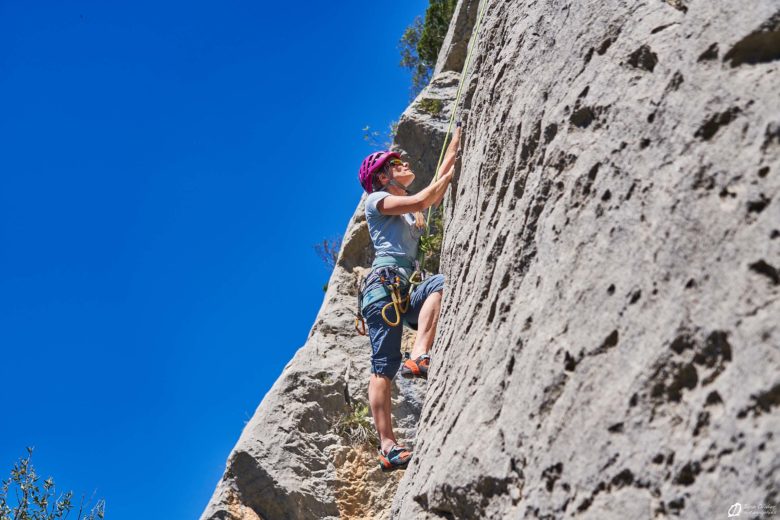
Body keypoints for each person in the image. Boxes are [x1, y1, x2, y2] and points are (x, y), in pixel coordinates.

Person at [357, 127, 461, 470]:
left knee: (440, 285)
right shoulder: (377, 201)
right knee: (383, 366)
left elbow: (428, 192)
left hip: (402, 288)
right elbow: (425, 198)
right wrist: (433, 187)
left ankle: (418, 354)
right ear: (383, 177)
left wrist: (457, 141)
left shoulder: (405, 213)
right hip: (382, 290)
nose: (404, 165)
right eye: (396, 164)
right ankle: (387, 444)